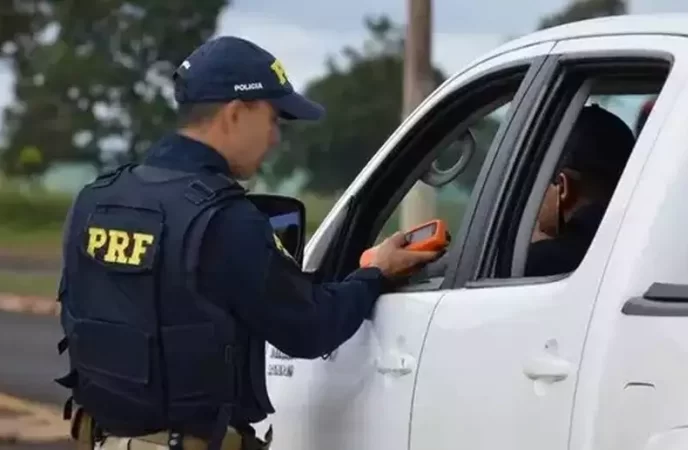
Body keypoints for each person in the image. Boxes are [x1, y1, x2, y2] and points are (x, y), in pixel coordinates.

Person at [54, 36, 439, 450]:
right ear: (236, 114)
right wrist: (374, 273)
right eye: (274, 119)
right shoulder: (225, 220)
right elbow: (310, 328)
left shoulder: (95, 199)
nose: (275, 137)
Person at [525, 104, 635, 277]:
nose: (532, 197)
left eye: (538, 180)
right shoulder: (633, 249)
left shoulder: (540, 262)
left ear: (562, 186)